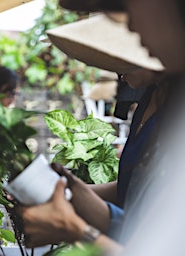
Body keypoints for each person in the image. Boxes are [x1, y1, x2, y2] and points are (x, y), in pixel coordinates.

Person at [17, 0, 185, 254]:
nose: (130, 23)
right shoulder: (162, 103)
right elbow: (138, 207)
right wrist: (76, 191)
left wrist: (75, 228)